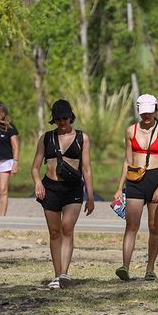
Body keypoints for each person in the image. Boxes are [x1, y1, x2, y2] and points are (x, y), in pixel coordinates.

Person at [30, 99, 95, 289]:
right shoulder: (46, 138)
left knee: (67, 227)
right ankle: (57, 275)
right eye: (58, 119)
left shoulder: (82, 138)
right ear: (54, 119)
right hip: (50, 189)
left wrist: (90, 196)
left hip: (73, 189)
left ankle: (64, 273)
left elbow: (87, 169)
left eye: (65, 118)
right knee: (54, 232)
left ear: (71, 117)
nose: (62, 122)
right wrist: (38, 182)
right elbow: (35, 167)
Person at [113, 93, 158, 281]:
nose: (147, 115)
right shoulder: (131, 131)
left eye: (150, 112)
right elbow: (127, 160)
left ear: (156, 110)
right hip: (135, 179)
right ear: (139, 111)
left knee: (154, 225)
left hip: (156, 178)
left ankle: (150, 268)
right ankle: (125, 266)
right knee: (132, 224)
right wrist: (119, 187)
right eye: (143, 112)